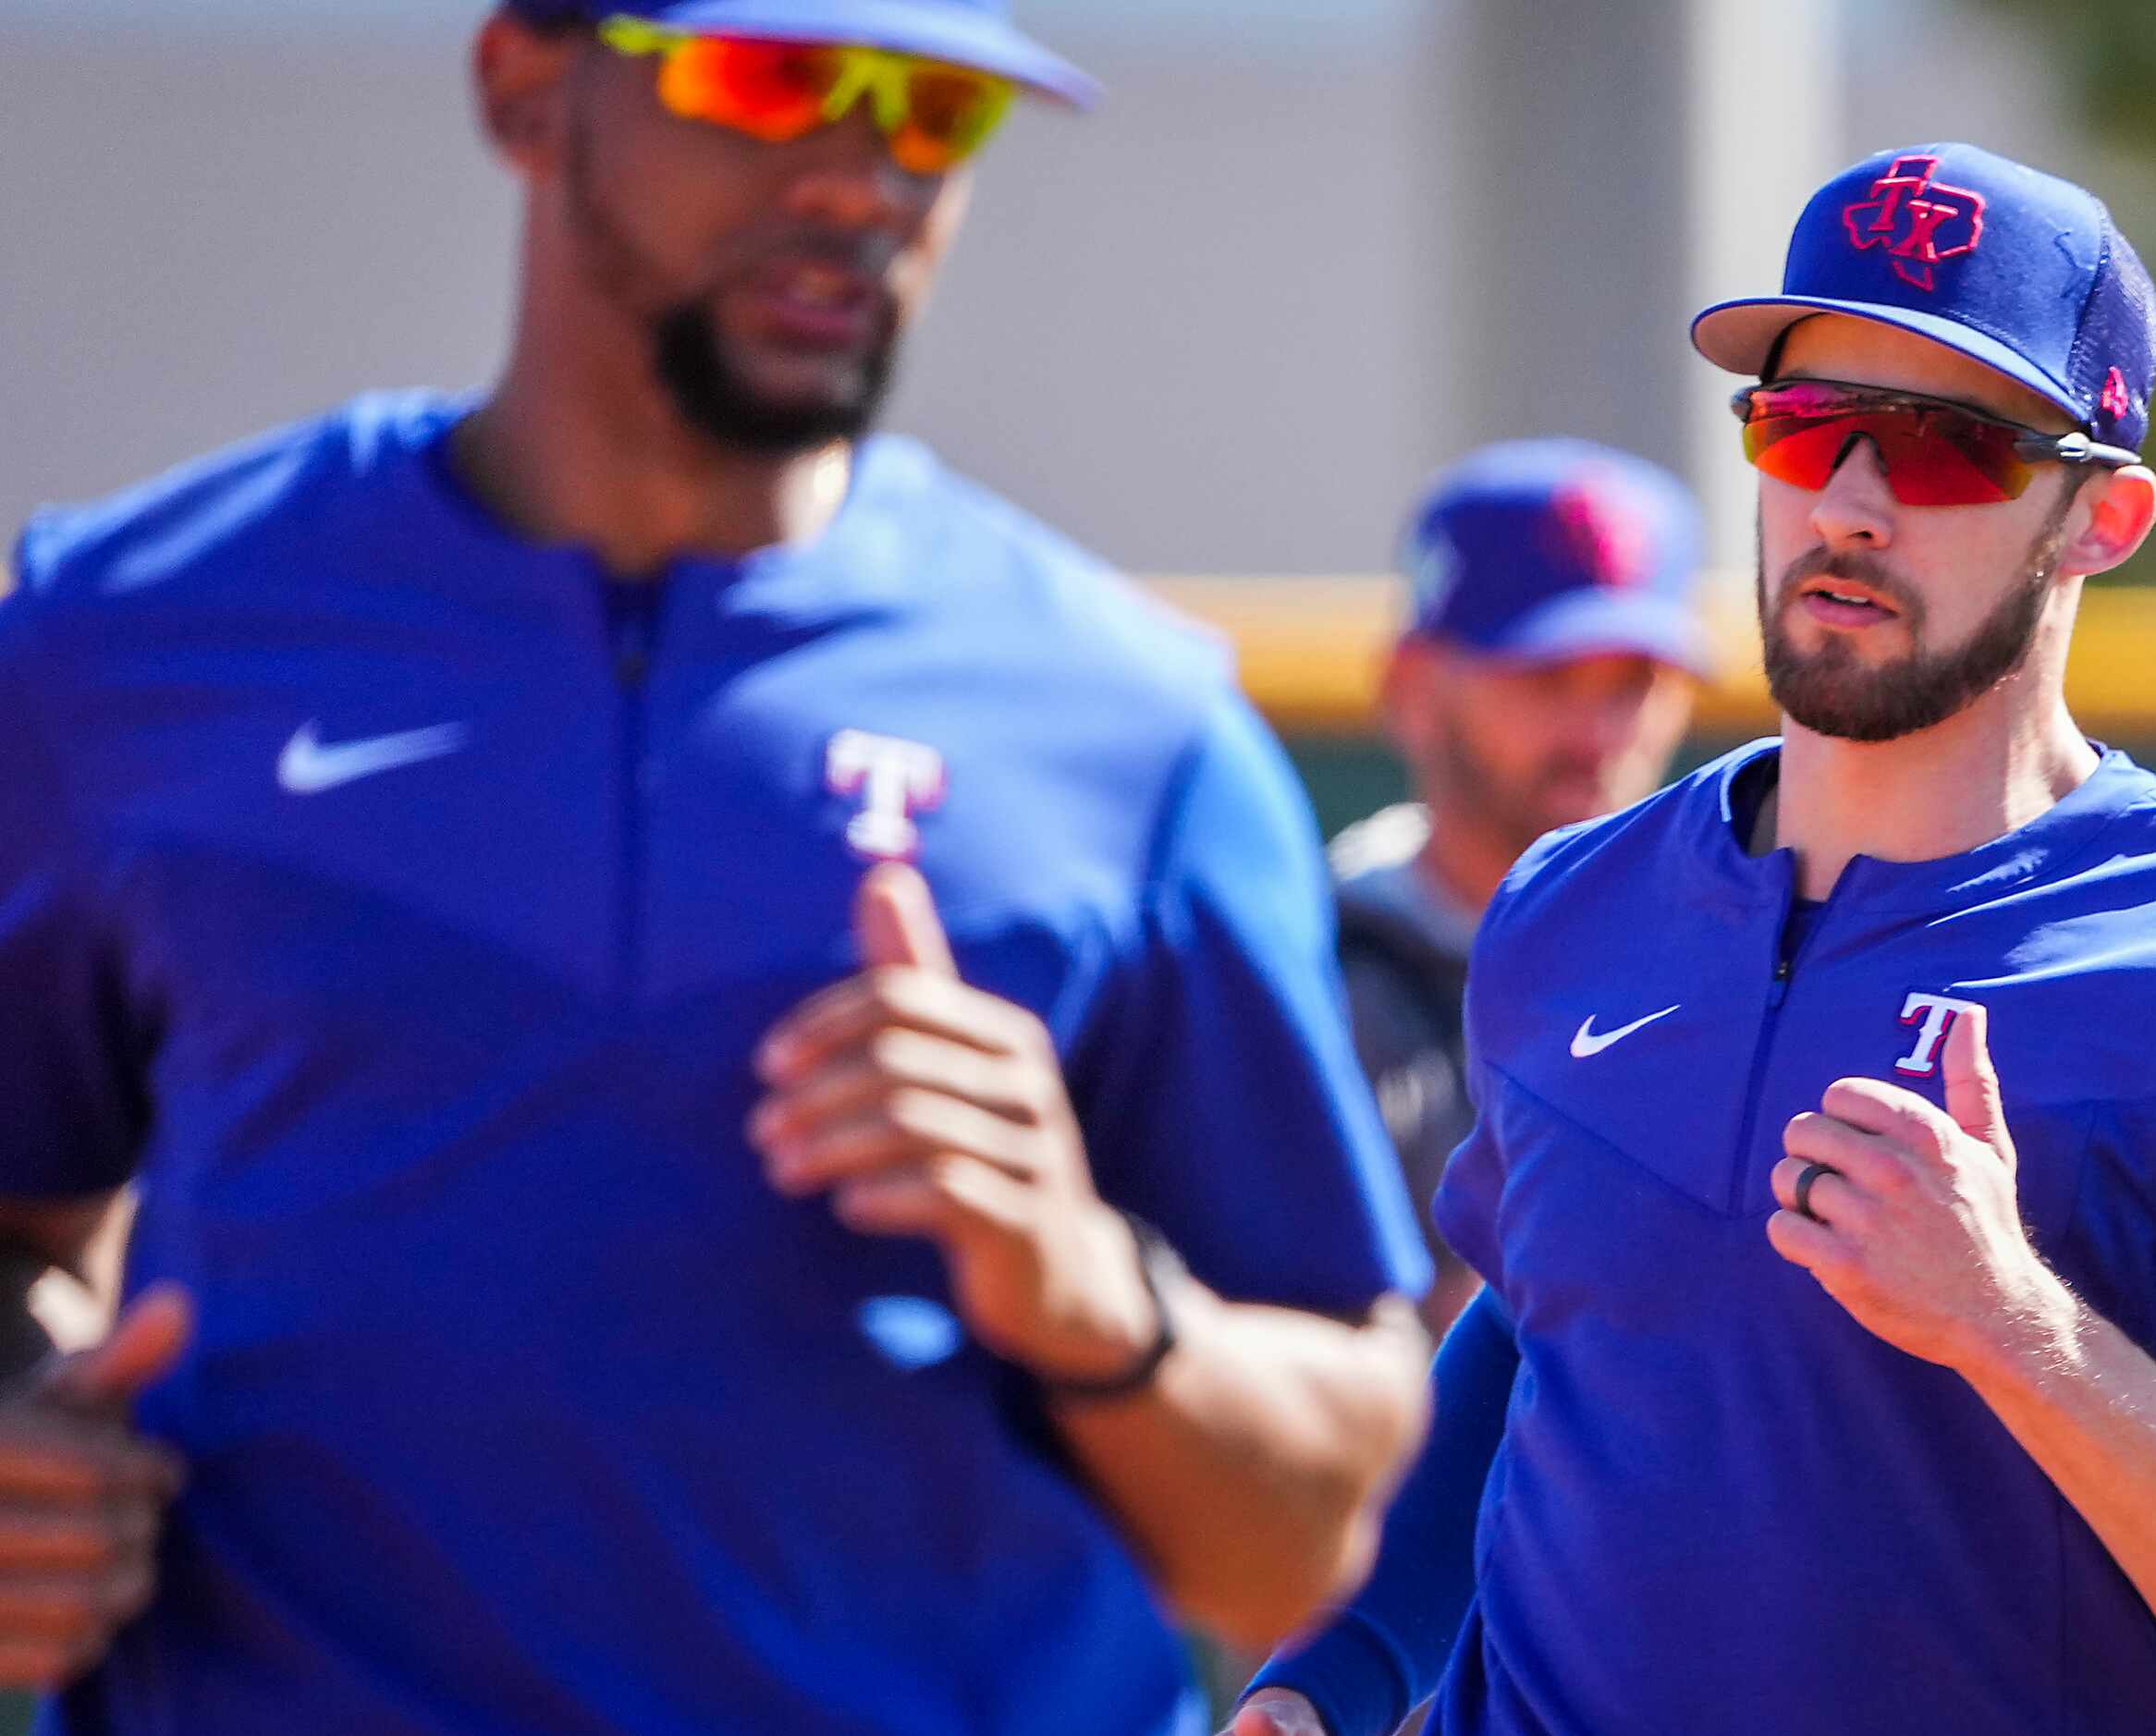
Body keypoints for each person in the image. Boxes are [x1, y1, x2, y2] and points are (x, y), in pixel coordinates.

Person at [0, 4, 1435, 1730]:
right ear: (526, 86)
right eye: (769, 79)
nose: (860, 181)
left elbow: (1312, 1543)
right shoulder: (124, 640)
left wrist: (1090, 1292)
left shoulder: (1134, 727)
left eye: (930, 113)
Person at [1232, 141, 2156, 1736]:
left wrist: (2017, 1329)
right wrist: (1335, 1672)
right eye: (1808, 423)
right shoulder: (1569, 902)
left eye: (1947, 447)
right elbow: (1537, 1318)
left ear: (2101, 518)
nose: (1848, 499)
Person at [1328, 441, 1707, 1339]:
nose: (1598, 732)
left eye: (1635, 683)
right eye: (1547, 676)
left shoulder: (1729, 967)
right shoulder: (1308, 977)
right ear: (1411, 688)